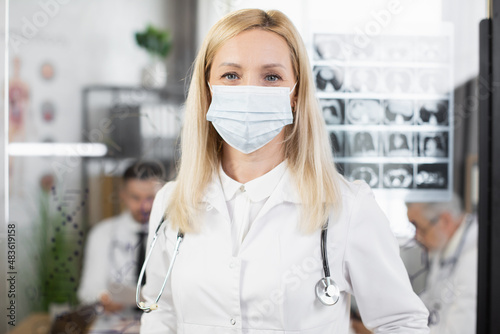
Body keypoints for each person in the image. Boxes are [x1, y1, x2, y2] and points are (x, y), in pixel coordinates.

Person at [140, 9, 429, 333]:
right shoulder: (171, 203)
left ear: (295, 93)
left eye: (271, 76)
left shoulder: (348, 207)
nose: (250, 90)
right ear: (208, 90)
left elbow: (401, 323)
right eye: (231, 75)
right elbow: (160, 311)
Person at [78, 161, 164, 312]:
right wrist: (102, 299)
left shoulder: (176, 235)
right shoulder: (102, 234)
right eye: (136, 198)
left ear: (163, 194)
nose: (145, 206)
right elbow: (87, 292)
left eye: (151, 198)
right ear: (123, 195)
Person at [406, 195, 478, 334]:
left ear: (445, 220)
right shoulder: (444, 248)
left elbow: (458, 330)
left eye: (420, 228)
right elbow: (430, 300)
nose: (417, 237)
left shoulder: (473, 258)